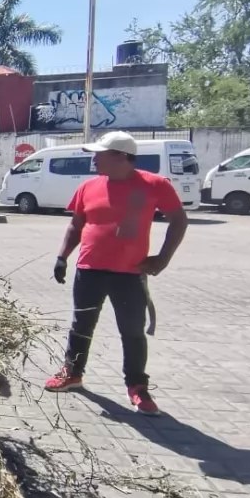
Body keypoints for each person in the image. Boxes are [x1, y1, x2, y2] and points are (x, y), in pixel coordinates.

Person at [44, 131, 188, 416]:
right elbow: (76, 225)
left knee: (132, 331)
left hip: (130, 273)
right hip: (89, 270)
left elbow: (179, 220)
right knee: (81, 325)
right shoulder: (88, 187)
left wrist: (163, 258)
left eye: (100, 154)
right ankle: (73, 373)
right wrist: (62, 257)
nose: (94, 159)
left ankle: (137, 387)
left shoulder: (155, 185)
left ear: (121, 157)